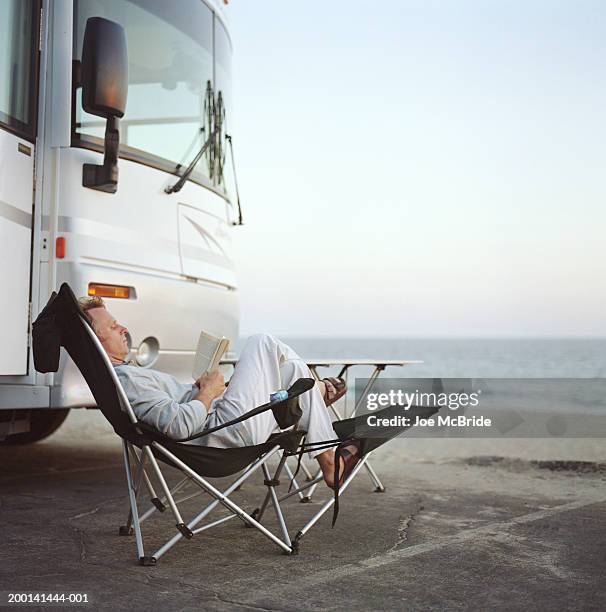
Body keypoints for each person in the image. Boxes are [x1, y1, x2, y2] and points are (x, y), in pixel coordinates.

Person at [78, 296, 360, 488]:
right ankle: (321, 419)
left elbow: (172, 413)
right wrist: (209, 392)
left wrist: (199, 390)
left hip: (223, 423)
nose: (123, 328)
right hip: (224, 434)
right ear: (96, 342)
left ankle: (317, 415)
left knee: (291, 373)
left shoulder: (127, 376)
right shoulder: (127, 380)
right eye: (113, 327)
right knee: (262, 343)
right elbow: (178, 426)